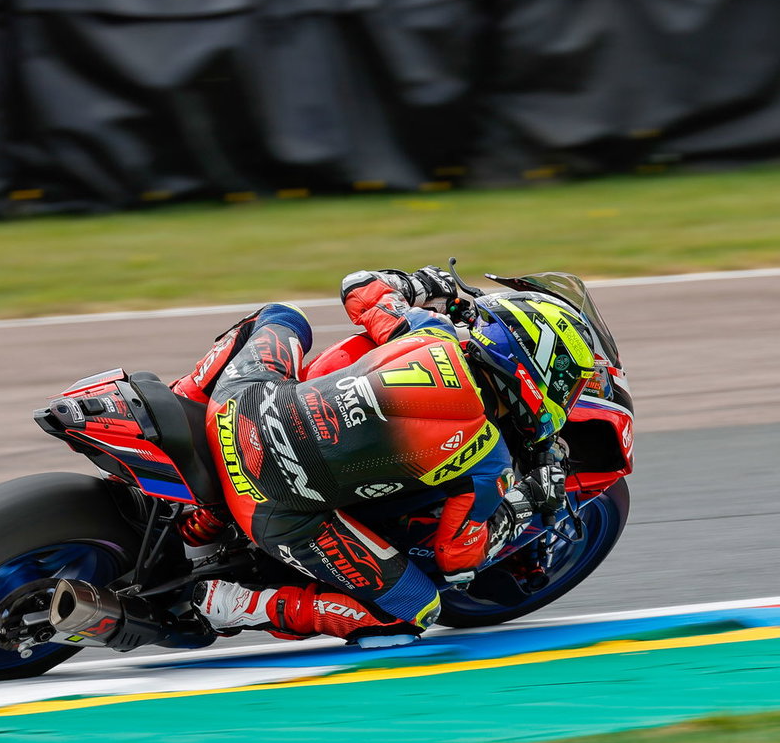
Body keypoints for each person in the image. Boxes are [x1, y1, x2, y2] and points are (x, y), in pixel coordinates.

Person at [168, 266, 599, 645]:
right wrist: (525, 501)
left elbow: (359, 286)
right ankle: (240, 603)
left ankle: (176, 408)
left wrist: (423, 283)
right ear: (534, 373)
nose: (567, 392)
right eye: (565, 380)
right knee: (415, 610)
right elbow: (457, 560)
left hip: (236, 408)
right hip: (271, 506)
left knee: (282, 316)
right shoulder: (488, 460)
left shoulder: (427, 330)